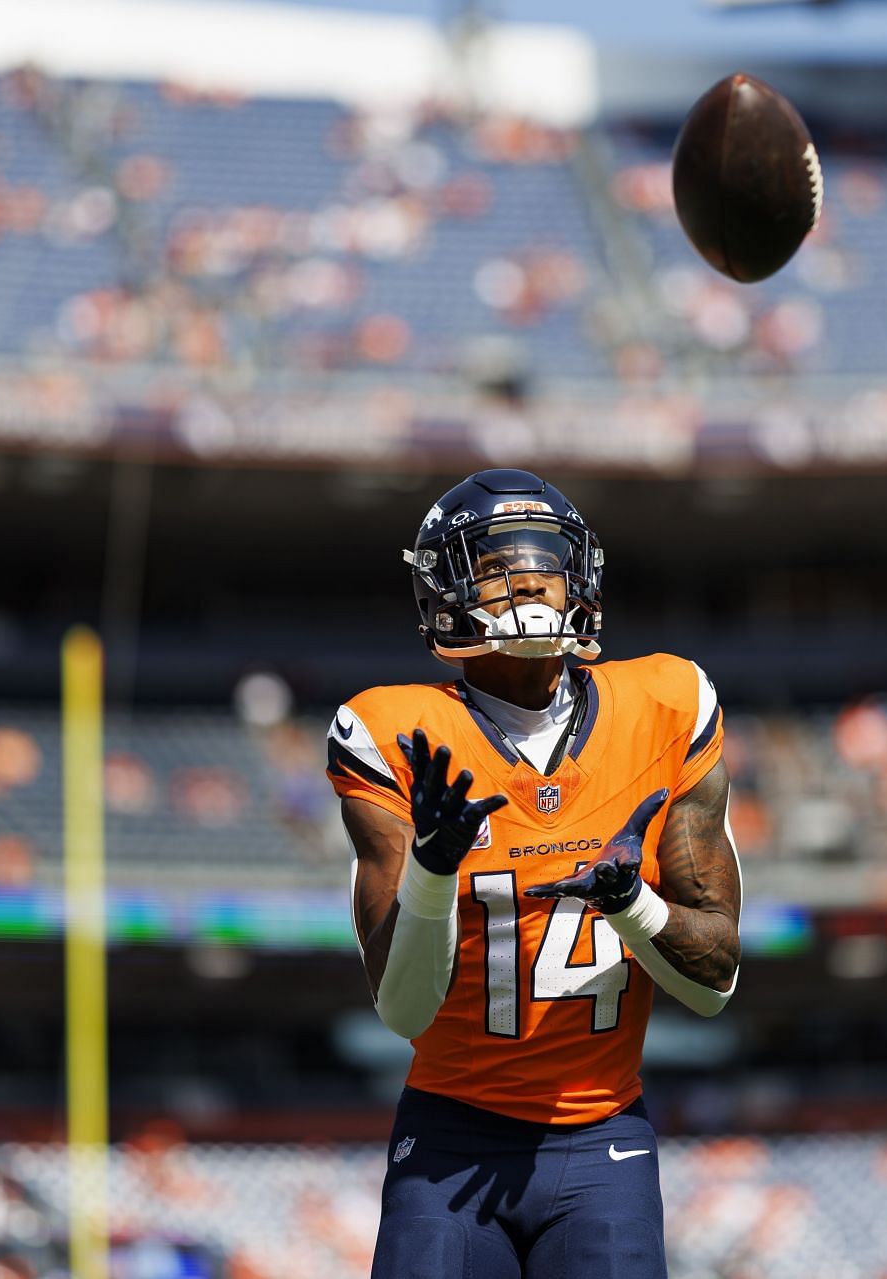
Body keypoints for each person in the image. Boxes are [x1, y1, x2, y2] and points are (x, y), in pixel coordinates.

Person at [327, 468, 743, 1279]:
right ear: (444, 591)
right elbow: (403, 1007)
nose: (526, 584)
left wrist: (630, 904)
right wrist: (433, 865)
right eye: (496, 565)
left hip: (602, 1136)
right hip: (449, 1137)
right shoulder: (394, 729)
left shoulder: (667, 704)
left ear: (579, 575)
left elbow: (714, 984)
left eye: (542, 563)